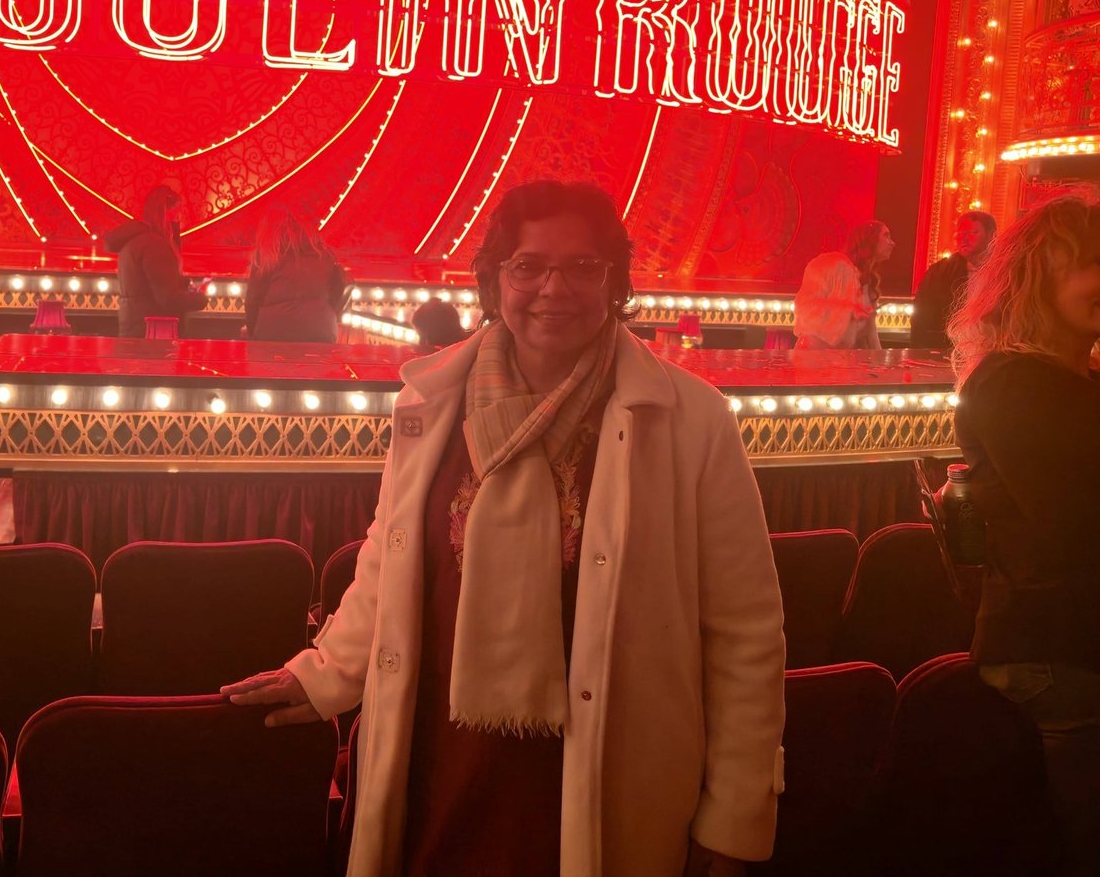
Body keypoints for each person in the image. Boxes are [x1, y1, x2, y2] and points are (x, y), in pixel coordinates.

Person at [225, 180, 785, 877]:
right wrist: (324, 672)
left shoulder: (692, 422)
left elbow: (744, 630)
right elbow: (390, 560)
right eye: (528, 266)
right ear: (495, 280)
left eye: (582, 266)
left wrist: (734, 819)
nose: (554, 288)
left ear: (614, 281)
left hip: (603, 778)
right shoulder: (432, 400)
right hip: (442, 765)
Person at [951, 192, 1100, 875]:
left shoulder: (1074, 380)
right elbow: (1079, 527)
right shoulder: (1016, 383)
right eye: (1093, 264)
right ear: (1040, 278)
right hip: (1057, 652)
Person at [103, 185, 207, 338]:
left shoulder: (132, 241)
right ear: (166, 212)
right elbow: (168, 299)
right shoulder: (156, 246)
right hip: (154, 332)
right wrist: (200, 298)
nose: (179, 220)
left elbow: (147, 286)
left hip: (133, 326)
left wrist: (181, 284)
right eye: (177, 213)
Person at [244, 209, 348, 343]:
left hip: (274, 331)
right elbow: (338, 291)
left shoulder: (267, 255)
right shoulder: (325, 255)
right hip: (320, 330)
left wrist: (253, 332)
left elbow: (253, 300)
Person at [792, 220, 894, 349]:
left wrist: (879, 361)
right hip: (814, 351)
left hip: (839, 357)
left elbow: (869, 335)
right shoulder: (831, 265)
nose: (892, 243)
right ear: (870, 238)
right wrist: (849, 309)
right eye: (886, 236)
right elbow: (805, 306)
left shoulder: (867, 283)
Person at [911, 211, 996, 348]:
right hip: (948, 348)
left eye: (973, 233)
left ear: (991, 235)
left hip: (993, 348)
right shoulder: (940, 273)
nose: (964, 239)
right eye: (960, 233)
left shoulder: (1007, 270)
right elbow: (922, 318)